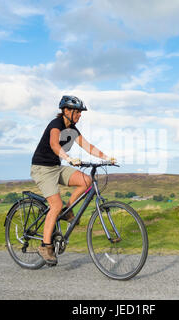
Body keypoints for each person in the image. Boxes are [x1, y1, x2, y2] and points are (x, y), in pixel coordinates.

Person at [30, 95, 116, 266]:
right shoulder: (56, 125)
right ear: (66, 111)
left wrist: (106, 157)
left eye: (80, 112)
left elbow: (88, 146)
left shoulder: (73, 130)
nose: (79, 115)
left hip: (56, 167)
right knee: (55, 205)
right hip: (42, 168)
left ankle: (68, 209)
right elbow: (55, 145)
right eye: (76, 112)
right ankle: (45, 245)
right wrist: (68, 158)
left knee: (86, 180)